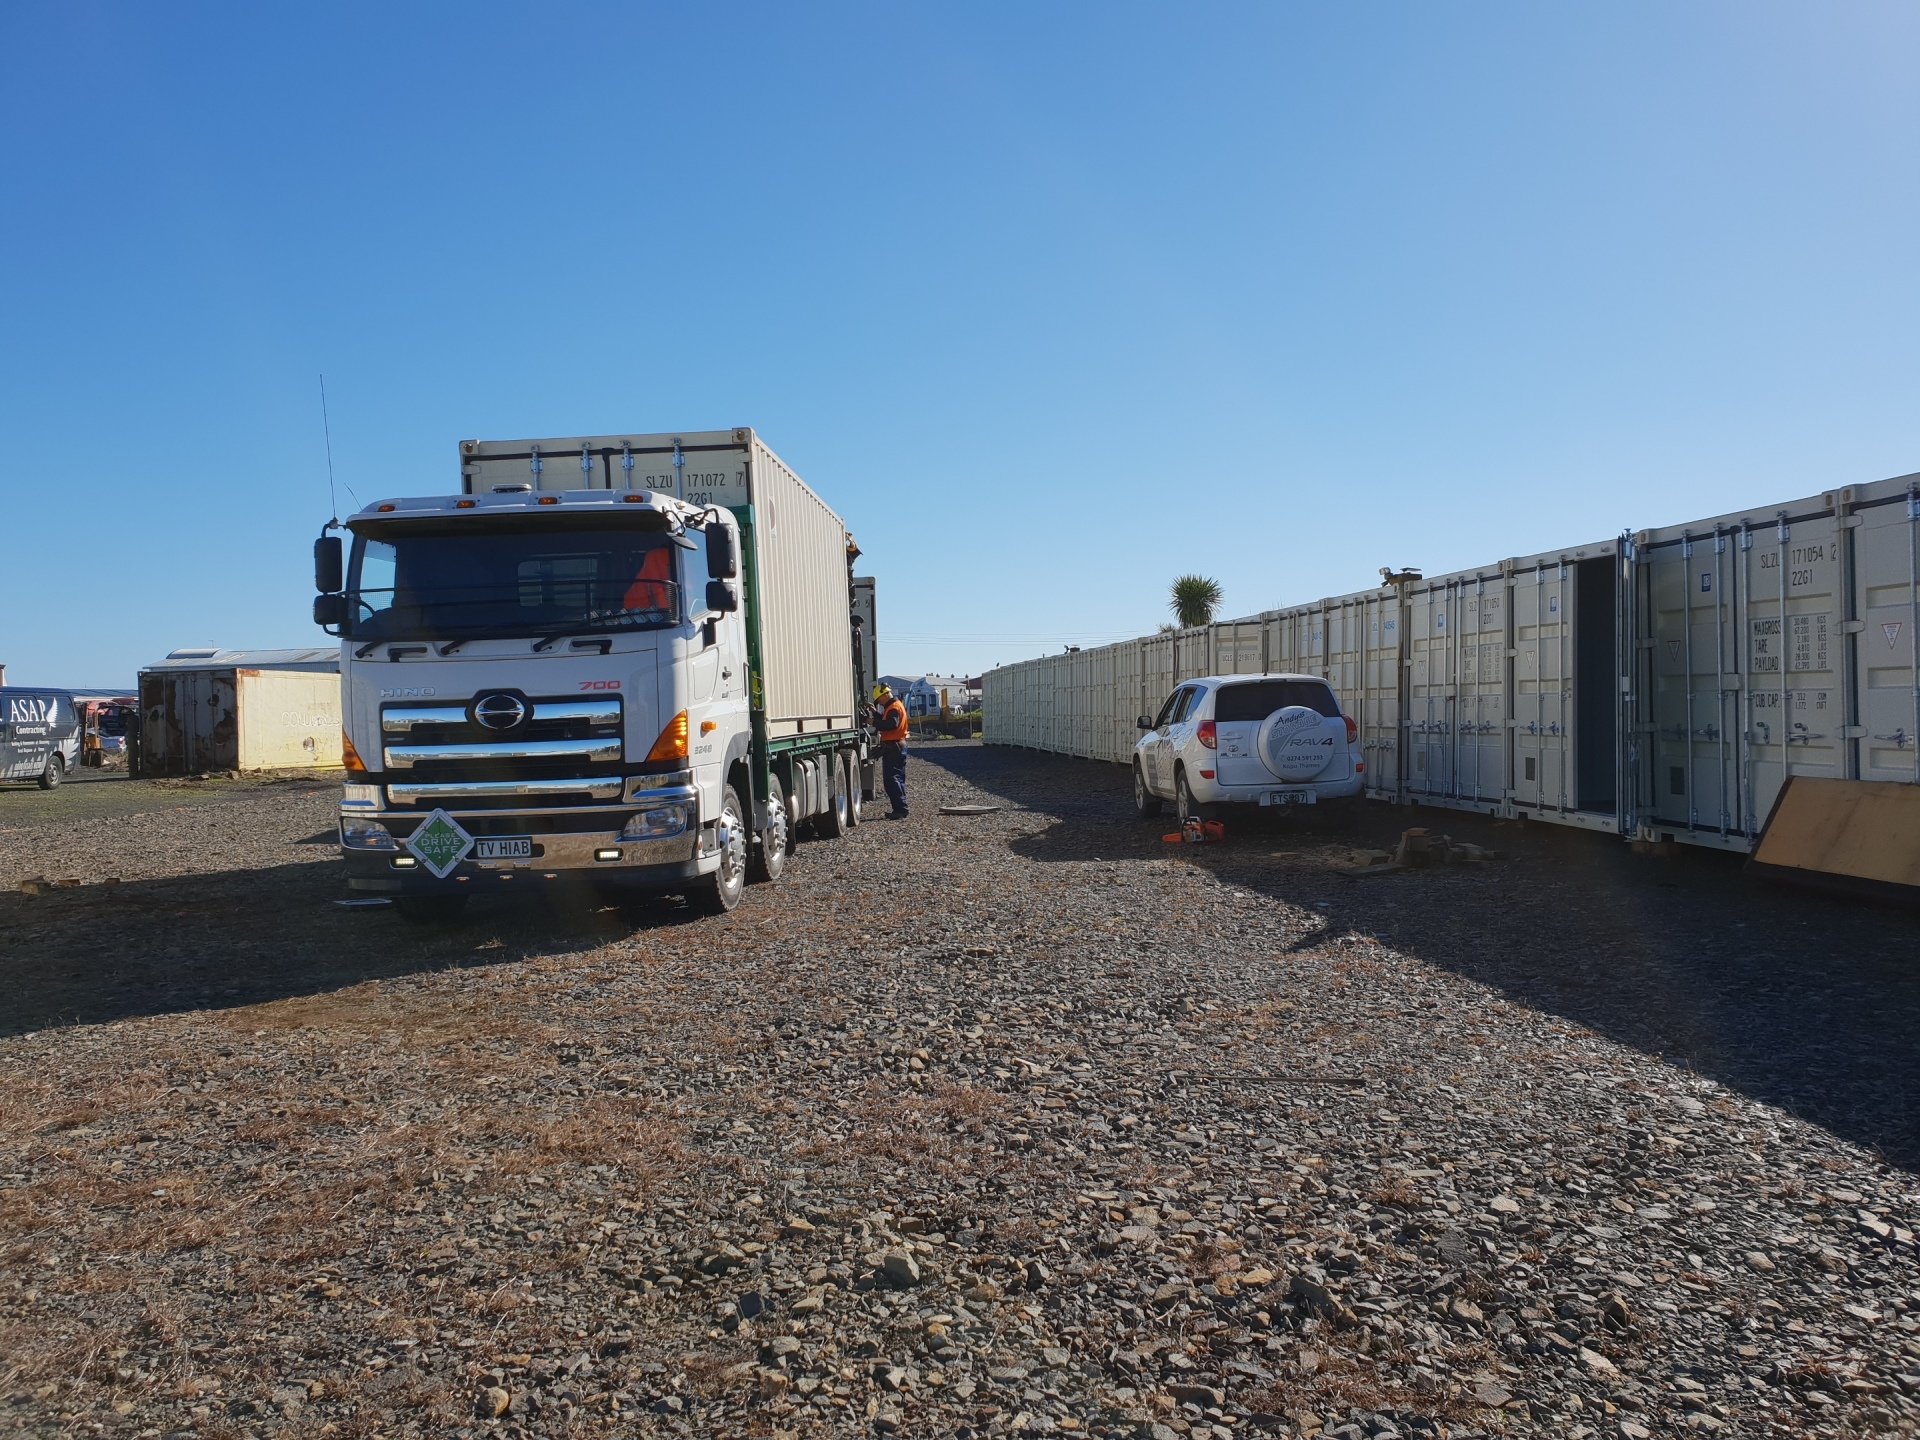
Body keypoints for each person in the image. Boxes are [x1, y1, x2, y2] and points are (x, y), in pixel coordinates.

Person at [872, 682, 910, 818]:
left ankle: (900, 810)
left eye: (879, 700)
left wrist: (871, 721)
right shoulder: (894, 706)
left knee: (892, 780)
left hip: (894, 747)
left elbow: (890, 724)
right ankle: (900, 808)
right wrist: (875, 714)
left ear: (885, 695)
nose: (880, 703)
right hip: (897, 746)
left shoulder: (893, 708)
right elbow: (886, 720)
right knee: (897, 778)